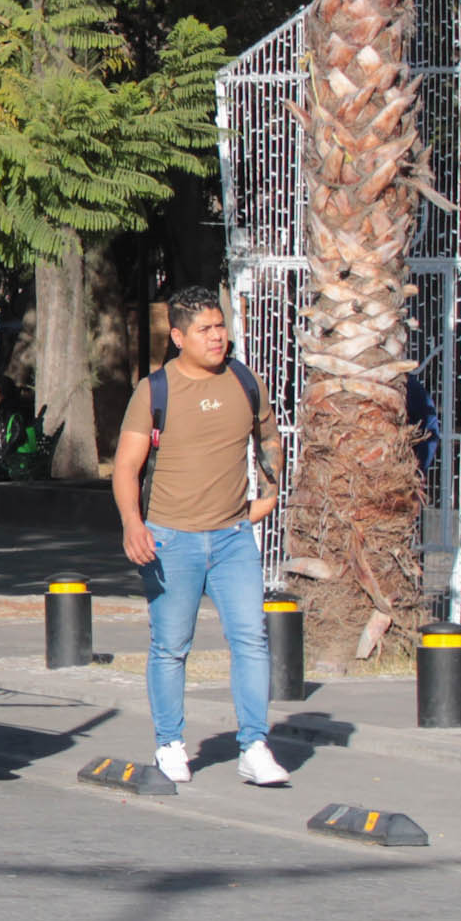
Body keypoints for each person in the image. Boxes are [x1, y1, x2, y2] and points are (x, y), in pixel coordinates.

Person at [111, 286, 292, 788]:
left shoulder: (244, 380)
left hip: (234, 537)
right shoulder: (155, 391)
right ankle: (170, 743)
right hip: (171, 540)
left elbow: (268, 437)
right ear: (178, 337)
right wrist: (132, 522)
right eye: (205, 330)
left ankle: (254, 745)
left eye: (220, 326)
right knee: (171, 646)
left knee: (251, 639)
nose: (218, 337)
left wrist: (273, 490)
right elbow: (126, 467)